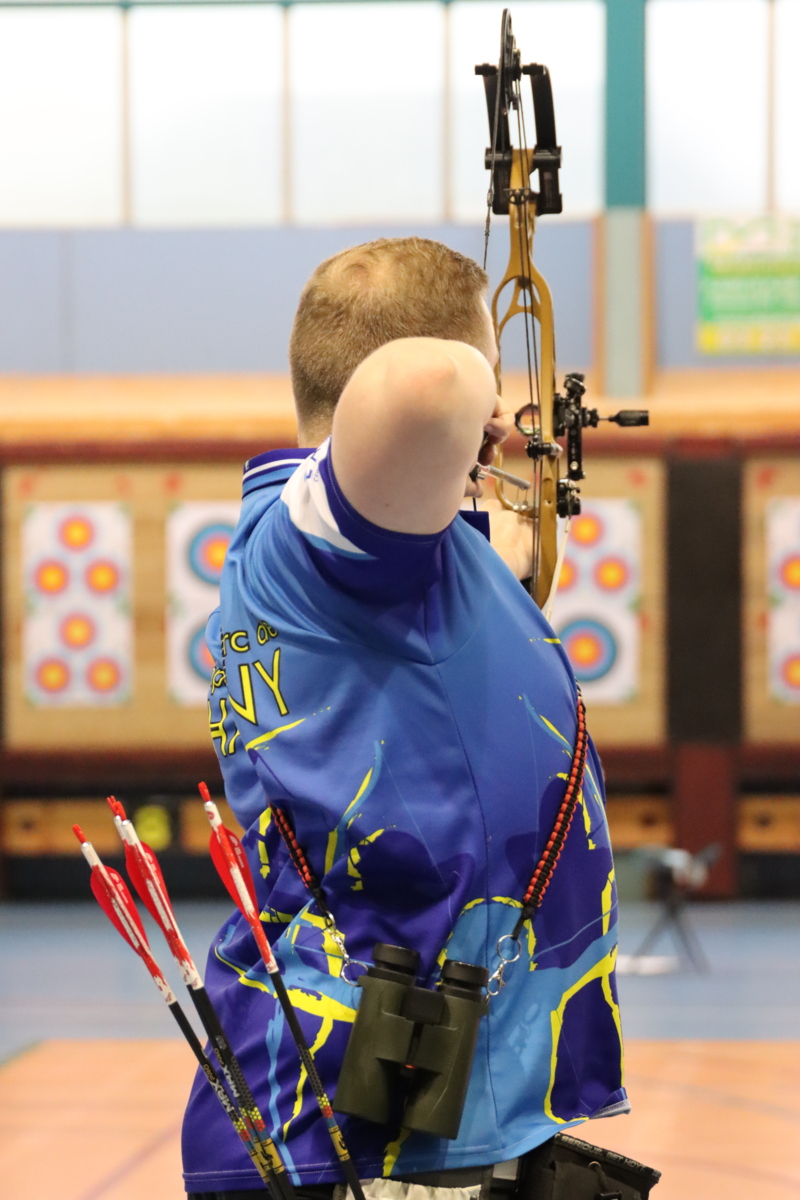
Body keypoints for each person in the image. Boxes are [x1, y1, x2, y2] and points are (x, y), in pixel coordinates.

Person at [182, 238, 627, 1200]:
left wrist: (493, 516)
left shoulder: (374, 562)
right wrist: (476, 393)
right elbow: (427, 385)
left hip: (419, 1114)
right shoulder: (317, 535)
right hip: (367, 1134)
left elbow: (486, 567)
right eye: (494, 380)